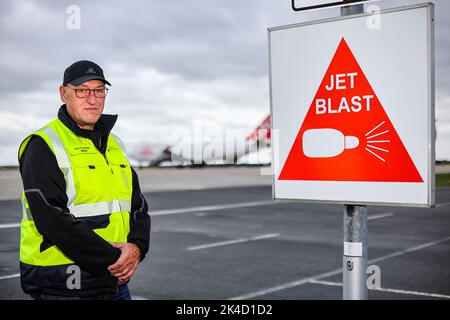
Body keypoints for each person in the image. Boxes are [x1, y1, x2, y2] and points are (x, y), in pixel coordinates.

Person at [18, 60, 151, 300]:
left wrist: (137, 247)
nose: (92, 98)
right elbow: (51, 218)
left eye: (99, 90)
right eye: (82, 90)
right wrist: (114, 260)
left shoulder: (114, 144)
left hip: (114, 282)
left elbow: (138, 205)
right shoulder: (42, 144)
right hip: (63, 284)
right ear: (63, 93)